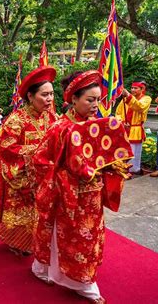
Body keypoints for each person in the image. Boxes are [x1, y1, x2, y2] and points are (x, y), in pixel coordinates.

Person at [31, 70, 132, 303]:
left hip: (92, 195)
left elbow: (106, 157)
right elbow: (40, 160)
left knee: (90, 237)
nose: (96, 104)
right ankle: (81, 283)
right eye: (90, 100)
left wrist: (111, 168)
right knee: (70, 238)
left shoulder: (96, 125)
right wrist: (67, 178)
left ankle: (76, 277)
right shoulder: (60, 128)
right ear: (73, 99)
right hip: (68, 196)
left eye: (98, 99)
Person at [0, 66, 58, 256]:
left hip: (43, 178)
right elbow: (6, 148)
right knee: (21, 215)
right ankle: (17, 242)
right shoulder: (17, 120)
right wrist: (38, 153)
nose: (49, 99)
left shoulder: (52, 117)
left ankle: (36, 243)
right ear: (30, 96)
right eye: (44, 94)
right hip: (20, 178)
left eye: (52, 94)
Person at [115, 81, 152, 175]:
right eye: (132, 88)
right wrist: (122, 122)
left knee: (134, 152)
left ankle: (134, 170)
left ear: (142, 89)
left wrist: (128, 96)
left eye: (135, 88)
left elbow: (139, 107)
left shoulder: (146, 99)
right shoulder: (125, 99)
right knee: (123, 150)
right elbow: (118, 113)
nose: (132, 90)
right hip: (124, 128)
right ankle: (123, 169)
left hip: (136, 130)